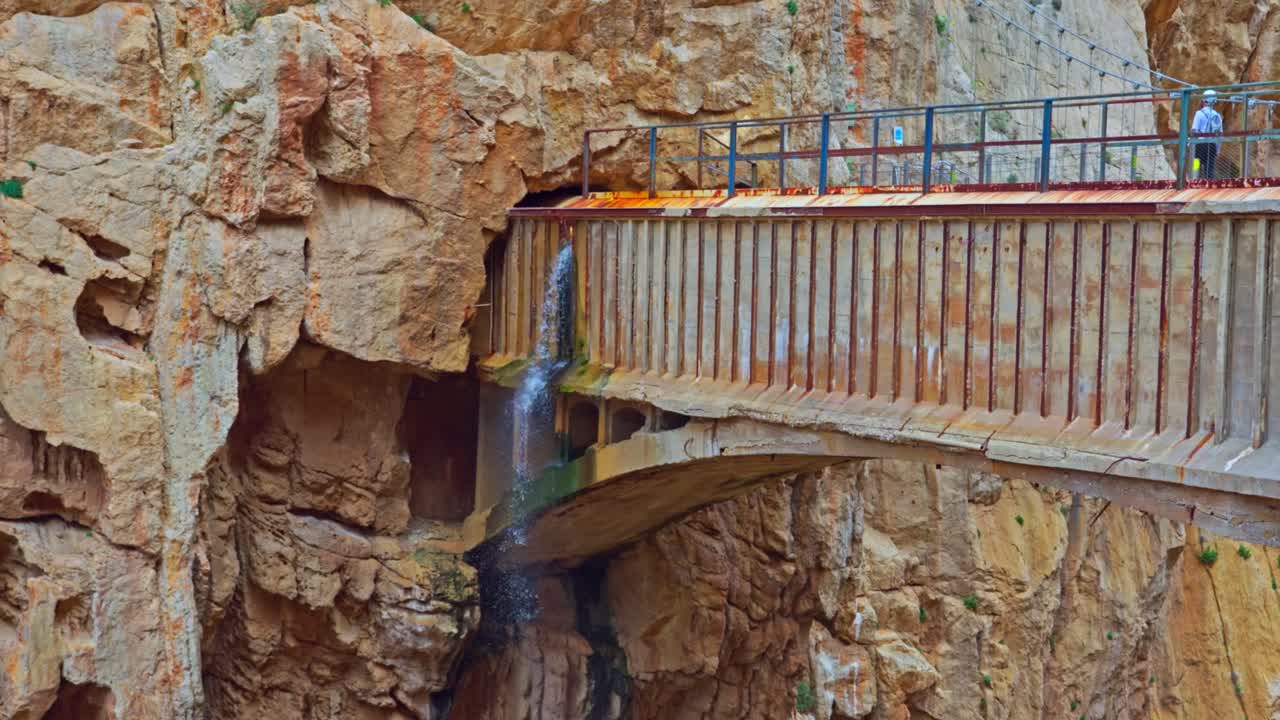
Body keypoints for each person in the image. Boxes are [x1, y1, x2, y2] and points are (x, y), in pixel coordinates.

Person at [1192, 89, 1223, 179]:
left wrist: (1190, 144)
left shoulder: (1199, 114)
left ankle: (1195, 179)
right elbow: (1220, 135)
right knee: (1209, 170)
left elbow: (1194, 130)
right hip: (1212, 145)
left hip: (1199, 145)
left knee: (1196, 165)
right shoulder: (1217, 116)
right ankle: (1209, 185)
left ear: (1203, 101)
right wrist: (1217, 149)